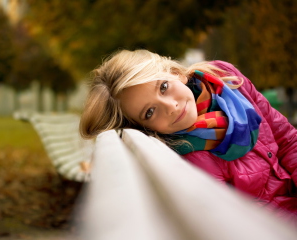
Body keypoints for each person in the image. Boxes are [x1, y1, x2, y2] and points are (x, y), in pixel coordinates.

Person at [80, 49, 297, 221]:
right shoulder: (186, 159)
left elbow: (287, 139)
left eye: (163, 87)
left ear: (176, 73)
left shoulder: (225, 79)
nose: (171, 106)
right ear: (143, 127)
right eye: (150, 112)